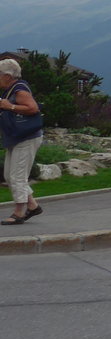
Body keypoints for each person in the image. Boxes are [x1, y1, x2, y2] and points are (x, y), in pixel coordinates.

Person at [0, 58, 44, 225]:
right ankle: (33, 206)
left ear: (7, 76)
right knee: (9, 175)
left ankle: (19, 212)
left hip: (26, 137)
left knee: (17, 176)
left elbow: (33, 108)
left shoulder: (19, 90)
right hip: (16, 137)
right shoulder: (9, 90)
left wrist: (9, 107)